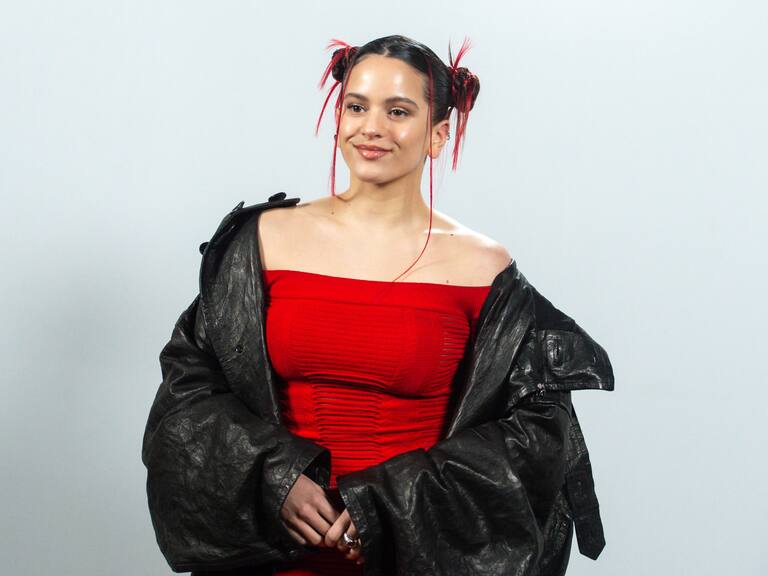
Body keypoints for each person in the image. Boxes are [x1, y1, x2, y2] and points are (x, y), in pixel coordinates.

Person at [142, 35, 615, 576]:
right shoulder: (262, 241)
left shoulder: (484, 268)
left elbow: (532, 439)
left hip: (413, 555)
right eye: (357, 106)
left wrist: (383, 513)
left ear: (438, 135)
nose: (371, 127)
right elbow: (189, 390)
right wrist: (274, 476)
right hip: (271, 549)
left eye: (398, 111)